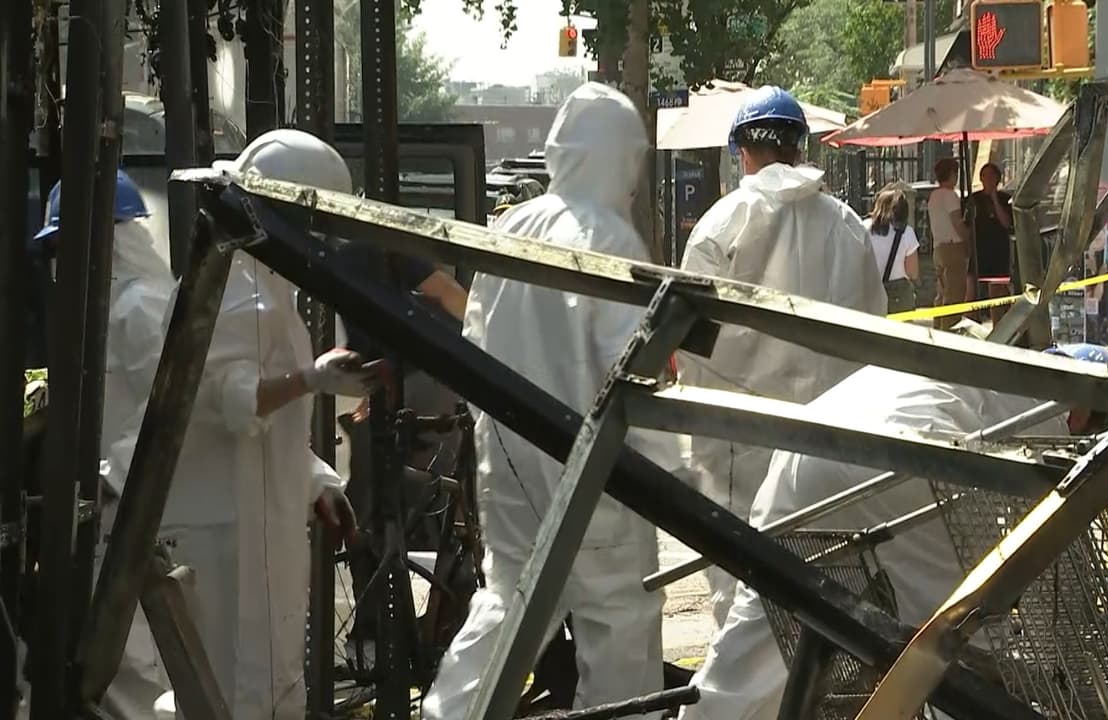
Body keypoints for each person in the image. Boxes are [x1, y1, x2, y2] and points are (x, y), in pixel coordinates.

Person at [681, 343, 1108, 720]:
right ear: (1084, 408)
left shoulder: (982, 366)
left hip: (811, 445)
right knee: (954, 639)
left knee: (765, 610)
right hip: (910, 454)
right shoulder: (1049, 415)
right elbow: (1051, 577)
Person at [422, 83, 682, 719]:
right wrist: (669, 472)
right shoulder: (611, 239)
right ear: (623, 157)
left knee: (510, 608)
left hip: (511, 472)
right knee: (619, 625)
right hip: (596, 482)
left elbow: (477, 340)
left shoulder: (512, 226)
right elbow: (631, 372)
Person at [128, 129, 375, 718]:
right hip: (228, 535)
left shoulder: (264, 288)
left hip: (259, 520)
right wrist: (312, 380)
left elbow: (267, 424)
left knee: (270, 686)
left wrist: (314, 480)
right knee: (226, 690)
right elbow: (229, 402)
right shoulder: (236, 294)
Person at [678, 85, 887, 626]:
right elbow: (873, 333)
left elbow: (689, 340)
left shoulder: (717, 227)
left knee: (742, 594)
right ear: (802, 147)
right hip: (835, 443)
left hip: (737, 443)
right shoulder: (847, 227)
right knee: (831, 592)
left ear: (740, 151)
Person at [34, 170, 176, 718]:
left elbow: (164, 408)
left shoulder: (139, 308)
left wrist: (111, 476)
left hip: (129, 508)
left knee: (131, 660)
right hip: (114, 508)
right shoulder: (116, 310)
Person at [966, 162, 1014, 324]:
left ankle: (999, 327)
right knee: (971, 294)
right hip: (978, 250)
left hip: (998, 251)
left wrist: (994, 200)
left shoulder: (1005, 199)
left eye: (991, 176)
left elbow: (1007, 223)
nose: (988, 179)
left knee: (998, 295)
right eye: (984, 176)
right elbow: (965, 225)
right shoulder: (973, 200)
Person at [928, 158, 970, 329]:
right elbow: (957, 223)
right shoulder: (950, 196)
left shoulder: (934, 196)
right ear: (952, 174)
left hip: (938, 247)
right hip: (953, 247)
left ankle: (938, 328)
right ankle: (950, 331)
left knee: (942, 293)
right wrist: (968, 235)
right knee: (954, 294)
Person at [865, 188, 920, 314]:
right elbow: (913, 272)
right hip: (899, 295)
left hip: (870, 290)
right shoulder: (907, 232)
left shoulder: (864, 228)